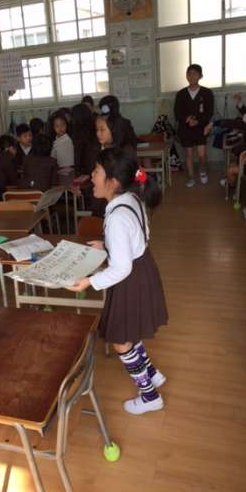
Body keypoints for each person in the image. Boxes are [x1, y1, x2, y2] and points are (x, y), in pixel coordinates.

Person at [67, 148, 168, 415]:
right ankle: (152, 374)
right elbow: (138, 236)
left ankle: (150, 396)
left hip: (130, 279)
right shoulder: (132, 198)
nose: (92, 176)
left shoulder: (118, 216)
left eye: (96, 171)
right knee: (130, 331)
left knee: (121, 340)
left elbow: (121, 267)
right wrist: (108, 245)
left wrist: (89, 282)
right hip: (142, 270)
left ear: (112, 182)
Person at [174, 64, 214, 187]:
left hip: (201, 128)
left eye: (195, 74)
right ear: (186, 76)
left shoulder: (207, 92)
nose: (192, 76)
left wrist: (198, 122)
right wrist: (187, 119)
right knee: (188, 155)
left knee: (202, 155)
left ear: (200, 76)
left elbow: (209, 112)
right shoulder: (181, 93)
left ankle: (203, 171)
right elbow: (177, 112)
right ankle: (191, 177)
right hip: (185, 128)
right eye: (189, 74)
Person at [71, 103, 97, 175]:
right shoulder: (95, 128)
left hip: (85, 171)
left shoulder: (77, 132)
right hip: (95, 169)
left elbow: (78, 155)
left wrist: (77, 171)